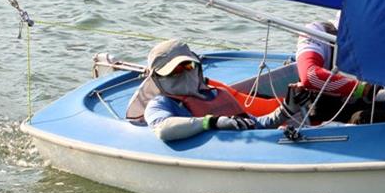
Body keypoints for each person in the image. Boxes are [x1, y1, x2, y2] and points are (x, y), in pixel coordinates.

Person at [125, 39, 302, 141]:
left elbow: (254, 124)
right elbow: (163, 129)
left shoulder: (218, 94)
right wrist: (211, 122)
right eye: (172, 71)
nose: (182, 74)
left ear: (197, 67)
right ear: (157, 78)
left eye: (187, 66)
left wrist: (286, 110)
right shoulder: (160, 104)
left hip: (250, 148)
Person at [294, 16, 385, 123]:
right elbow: (311, 76)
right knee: (360, 118)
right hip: (325, 122)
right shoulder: (317, 31)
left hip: (368, 116)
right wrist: (364, 89)